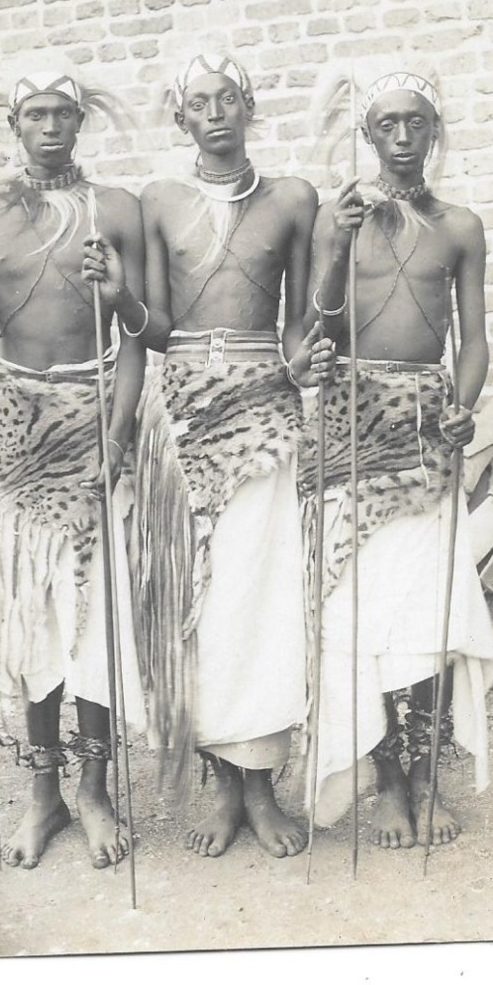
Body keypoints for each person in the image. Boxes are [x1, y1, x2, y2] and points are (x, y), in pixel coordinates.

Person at [83, 52, 333, 858]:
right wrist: (121, 293)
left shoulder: (293, 198)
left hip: (265, 404)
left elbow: (297, 325)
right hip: (182, 409)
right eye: (200, 103)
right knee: (195, 601)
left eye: (229, 98)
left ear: (251, 106)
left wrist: (304, 362)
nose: (216, 112)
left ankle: (262, 785)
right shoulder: (159, 200)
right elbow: (152, 329)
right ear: (180, 117)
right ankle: (221, 785)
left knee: (262, 598)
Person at [0, 71, 146, 870]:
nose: (50, 127)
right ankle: (42, 792)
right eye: (36, 116)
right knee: (32, 614)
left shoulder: (115, 208)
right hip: (20, 427)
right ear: (14, 126)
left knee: (92, 617)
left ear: (82, 120)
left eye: (64, 114)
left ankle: (94, 789)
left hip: (96, 422)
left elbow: (135, 338)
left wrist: (119, 440)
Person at [306, 69, 493, 848]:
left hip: (424, 426)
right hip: (348, 424)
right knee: (357, 610)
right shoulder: (335, 217)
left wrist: (464, 405)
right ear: (366, 134)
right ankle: (385, 782)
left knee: (421, 614)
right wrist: (337, 247)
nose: (399, 135)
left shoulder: (460, 226)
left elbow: (476, 335)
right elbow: (316, 326)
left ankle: (425, 780)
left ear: (433, 130)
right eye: (385, 123)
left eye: (413, 122)